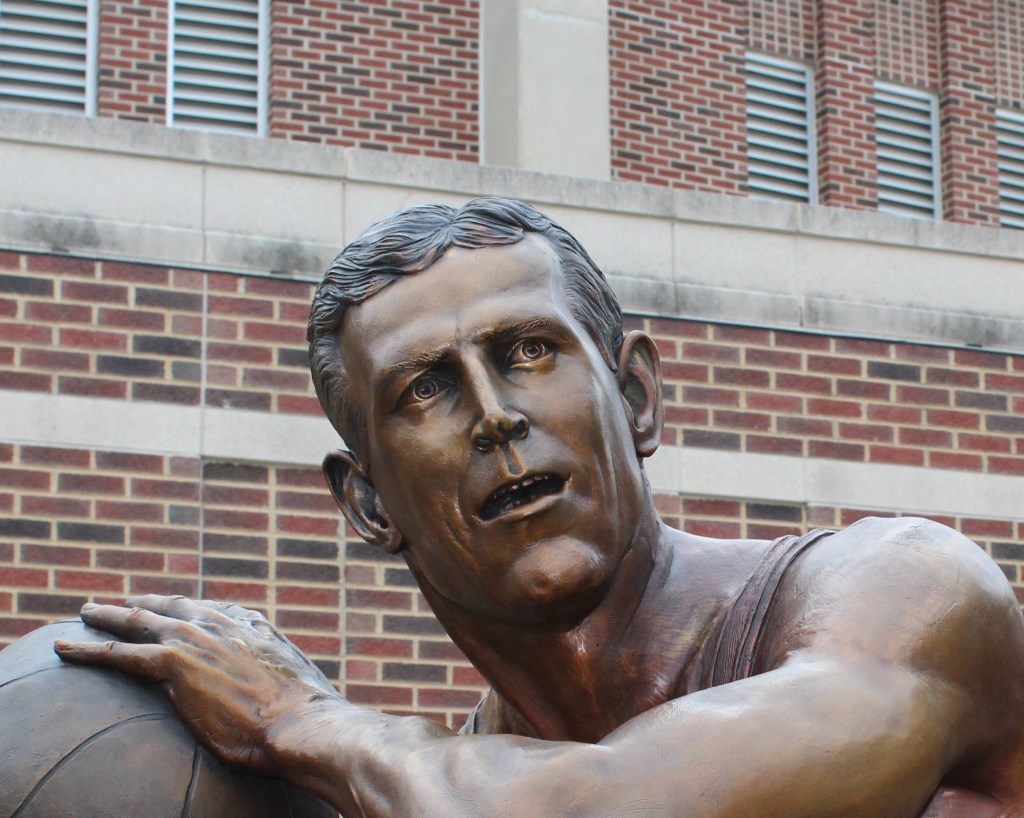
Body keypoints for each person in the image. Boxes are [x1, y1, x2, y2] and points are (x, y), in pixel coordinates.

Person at [57, 198, 1024, 817]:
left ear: (637, 397)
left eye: (527, 352)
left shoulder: (905, 594)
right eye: (424, 390)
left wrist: (304, 721)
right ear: (367, 504)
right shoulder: (441, 778)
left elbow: (612, 810)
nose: (494, 418)